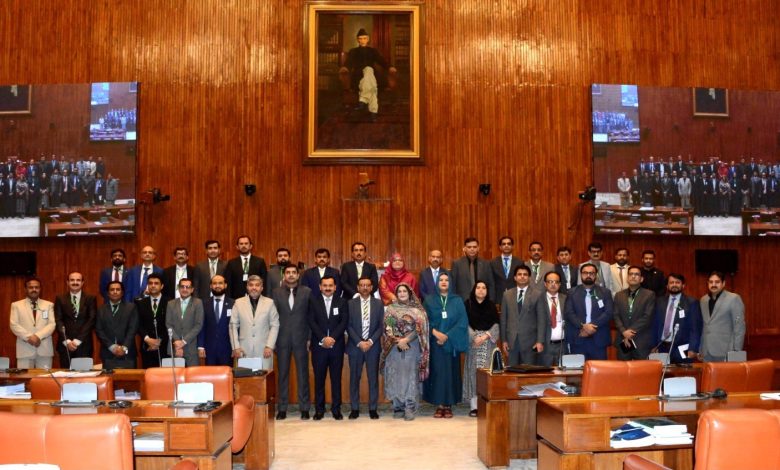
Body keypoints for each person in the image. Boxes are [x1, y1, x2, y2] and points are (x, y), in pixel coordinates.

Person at [422, 273, 468, 418]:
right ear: (436, 282)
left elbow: (462, 321)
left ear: (450, 282)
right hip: (435, 343)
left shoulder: (457, 300)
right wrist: (436, 333)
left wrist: (447, 336)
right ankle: (439, 404)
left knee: (450, 373)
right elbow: (423, 320)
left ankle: (448, 404)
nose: (443, 282)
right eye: (441, 280)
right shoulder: (429, 300)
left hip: (451, 342)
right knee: (437, 373)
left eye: (446, 280)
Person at [381, 283, 429, 421]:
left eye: (404, 291)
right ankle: (398, 406)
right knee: (395, 375)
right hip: (394, 348)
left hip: (412, 346)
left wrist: (406, 339)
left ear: (409, 293)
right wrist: (398, 340)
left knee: (409, 376)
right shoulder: (391, 309)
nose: (402, 293)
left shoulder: (417, 310)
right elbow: (387, 326)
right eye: (399, 291)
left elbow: (421, 328)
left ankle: (410, 407)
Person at [272, 265, 312, 420]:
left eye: (293, 273)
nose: (290, 275)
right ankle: (282, 408)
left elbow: (310, 316)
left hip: (301, 339)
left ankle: (305, 408)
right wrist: (273, 339)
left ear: (298, 275)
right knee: (282, 374)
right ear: (284, 275)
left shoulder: (306, 292)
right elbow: (273, 318)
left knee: (303, 374)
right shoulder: (276, 293)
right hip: (281, 339)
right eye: (288, 273)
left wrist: (309, 337)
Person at [309, 275, 348, 420]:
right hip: (319, 347)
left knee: (336, 379)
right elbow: (311, 321)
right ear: (320, 287)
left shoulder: (342, 302)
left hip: (336, 346)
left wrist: (332, 338)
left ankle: (336, 409)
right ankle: (319, 409)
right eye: (324, 285)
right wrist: (323, 338)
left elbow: (344, 321)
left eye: (330, 285)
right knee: (319, 379)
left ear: (335, 287)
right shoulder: (313, 301)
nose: (327, 288)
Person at [346, 276, 384, 419]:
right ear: (357, 287)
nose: (365, 288)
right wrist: (359, 342)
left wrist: (370, 341)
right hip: (355, 346)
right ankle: (354, 408)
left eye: (368, 285)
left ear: (372, 287)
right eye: (362, 285)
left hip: (373, 347)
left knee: (373, 378)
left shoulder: (379, 304)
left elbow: (381, 326)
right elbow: (348, 325)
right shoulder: (350, 303)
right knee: (354, 378)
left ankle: (373, 408)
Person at [340, 28, 396, 121]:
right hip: (359, 75)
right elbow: (349, 62)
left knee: (369, 71)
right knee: (372, 87)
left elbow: (381, 61)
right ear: (358, 40)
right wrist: (345, 67)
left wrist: (389, 67)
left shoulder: (373, 51)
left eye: (364, 38)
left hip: (372, 74)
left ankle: (363, 101)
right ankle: (373, 112)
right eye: (360, 38)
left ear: (368, 39)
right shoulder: (353, 51)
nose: (362, 40)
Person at [463, 281, 499, 417]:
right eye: (478, 287)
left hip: (488, 343)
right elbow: (464, 322)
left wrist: (485, 336)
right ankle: (474, 407)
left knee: (486, 374)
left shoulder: (491, 305)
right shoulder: (468, 304)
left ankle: (486, 404)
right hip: (473, 344)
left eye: (484, 288)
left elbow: (496, 323)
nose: (481, 290)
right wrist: (474, 337)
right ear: (474, 290)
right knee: (473, 373)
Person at [564, 263, 614, 360]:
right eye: (585, 273)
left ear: (596, 275)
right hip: (578, 337)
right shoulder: (572, 292)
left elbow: (608, 313)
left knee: (600, 372)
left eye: (591, 273)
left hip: (598, 338)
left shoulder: (605, 292)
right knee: (577, 372)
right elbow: (569, 313)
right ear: (581, 274)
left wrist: (590, 326)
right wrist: (583, 326)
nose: (588, 275)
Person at [230, 275, 279, 370]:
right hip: (243, 349)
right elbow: (233, 325)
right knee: (244, 380)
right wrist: (236, 347)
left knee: (264, 381)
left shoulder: (269, 303)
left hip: (264, 350)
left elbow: (275, 325)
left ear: (262, 288)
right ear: (247, 287)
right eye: (251, 285)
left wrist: (269, 346)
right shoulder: (238, 303)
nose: (254, 288)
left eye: (257, 285)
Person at [652, 273, 701, 364]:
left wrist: (693, 348)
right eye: (671, 282)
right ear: (667, 286)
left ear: (683, 285)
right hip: (662, 347)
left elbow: (695, 329)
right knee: (662, 375)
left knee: (683, 375)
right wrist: (653, 345)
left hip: (683, 348)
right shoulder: (659, 302)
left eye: (677, 282)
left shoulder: (691, 302)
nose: (674, 285)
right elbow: (655, 325)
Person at [500, 266, 542, 366]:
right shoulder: (507, 295)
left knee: (528, 375)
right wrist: (504, 340)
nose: (522, 277)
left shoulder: (538, 294)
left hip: (530, 342)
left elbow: (541, 320)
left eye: (525, 274)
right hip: (512, 342)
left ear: (529, 277)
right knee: (511, 374)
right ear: (515, 277)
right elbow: (503, 320)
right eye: (519, 274)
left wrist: (540, 341)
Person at [54, 272, 97, 369]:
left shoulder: (90, 298)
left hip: (84, 345)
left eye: (78, 280)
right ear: (67, 282)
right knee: (65, 377)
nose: (75, 282)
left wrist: (77, 341)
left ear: (82, 283)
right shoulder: (60, 299)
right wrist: (67, 341)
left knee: (83, 377)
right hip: (65, 345)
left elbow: (91, 320)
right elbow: (58, 320)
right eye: (72, 280)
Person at [699, 271, 745, 362]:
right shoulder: (703, 300)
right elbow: (703, 326)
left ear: (723, 283)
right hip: (706, 351)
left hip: (726, 350)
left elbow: (739, 326)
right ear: (707, 284)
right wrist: (700, 349)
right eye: (711, 282)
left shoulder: (733, 298)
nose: (713, 284)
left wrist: (736, 350)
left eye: (717, 282)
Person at [612, 266, 656, 360]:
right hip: (623, 339)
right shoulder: (619, 295)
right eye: (631, 274)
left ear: (641, 279)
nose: (633, 276)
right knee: (623, 370)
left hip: (641, 339)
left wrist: (629, 332)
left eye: (636, 274)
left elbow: (647, 316)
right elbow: (616, 315)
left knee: (641, 370)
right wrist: (624, 332)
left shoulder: (649, 295)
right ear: (627, 278)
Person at [10, 278, 55, 368]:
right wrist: (29, 337)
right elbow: (14, 324)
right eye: (31, 287)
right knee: (24, 378)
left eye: (36, 287)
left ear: (40, 289)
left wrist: (38, 336)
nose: (34, 289)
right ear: (25, 289)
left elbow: (52, 324)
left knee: (44, 380)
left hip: (44, 349)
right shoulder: (16, 305)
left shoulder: (48, 305)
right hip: (25, 348)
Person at [95, 281, 138, 369]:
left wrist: (124, 347)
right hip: (108, 352)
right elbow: (99, 330)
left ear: (122, 293)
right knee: (109, 381)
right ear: (108, 293)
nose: (115, 292)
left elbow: (132, 329)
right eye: (112, 289)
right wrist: (112, 347)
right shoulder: (101, 310)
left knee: (130, 382)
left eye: (118, 289)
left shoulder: (131, 307)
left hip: (127, 352)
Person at [166, 278, 204, 367]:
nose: (185, 289)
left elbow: (198, 325)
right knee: (174, 378)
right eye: (182, 287)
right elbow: (168, 324)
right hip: (174, 346)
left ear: (192, 289)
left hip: (191, 347)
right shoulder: (171, 303)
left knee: (192, 378)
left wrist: (183, 341)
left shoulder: (198, 303)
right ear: (178, 288)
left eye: (188, 287)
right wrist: (177, 341)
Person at [197, 275, 234, 366]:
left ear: (225, 285)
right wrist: (200, 346)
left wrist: (235, 347)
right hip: (209, 350)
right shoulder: (203, 303)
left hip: (228, 349)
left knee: (227, 377)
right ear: (210, 286)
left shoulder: (233, 303)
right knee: (210, 377)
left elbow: (236, 327)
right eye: (214, 283)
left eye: (220, 283)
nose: (217, 286)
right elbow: (201, 326)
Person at [135, 273, 170, 368]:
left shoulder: (170, 302)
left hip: (164, 346)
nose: (153, 285)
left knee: (164, 378)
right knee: (148, 377)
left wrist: (159, 341)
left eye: (156, 283)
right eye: (150, 283)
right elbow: (137, 323)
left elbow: (171, 324)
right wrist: (147, 339)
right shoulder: (140, 303)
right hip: (147, 346)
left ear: (162, 286)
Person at [534, 271, 567, 367]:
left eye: (556, 282)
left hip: (562, 344)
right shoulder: (538, 299)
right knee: (544, 374)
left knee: (563, 375)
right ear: (545, 284)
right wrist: (539, 341)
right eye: (550, 281)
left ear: (560, 284)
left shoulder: (565, 298)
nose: (553, 284)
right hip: (545, 344)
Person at [489, 237, 523, 304]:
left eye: (509, 244)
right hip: (498, 298)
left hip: (515, 297)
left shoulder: (519, 262)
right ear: (500, 247)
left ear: (512, 246)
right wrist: (492, 300)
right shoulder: (492, 262)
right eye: (504, 244)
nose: (506, 246)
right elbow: (491, 282)